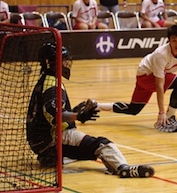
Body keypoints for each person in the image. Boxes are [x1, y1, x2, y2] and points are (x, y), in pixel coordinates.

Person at [26, 42, 154, 178]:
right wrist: (78, 115)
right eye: (63, 59)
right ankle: (123, 168)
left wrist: (73, 111)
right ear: (54, 62)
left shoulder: (45, 80)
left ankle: (53, 157)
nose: (66, 63)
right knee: (101, 144)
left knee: (85, 150)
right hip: (52, 138)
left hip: (40, 141)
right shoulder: (52, 84)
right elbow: (55, 114)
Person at [79, 24, 177, 133]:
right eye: (174, 41)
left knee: (134, 109)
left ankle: (96, 106)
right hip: (146, 76)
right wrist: (161, 112)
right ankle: (170, 117)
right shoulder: (161, 55)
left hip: (143, 74)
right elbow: (159, 85)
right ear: (168, 41)